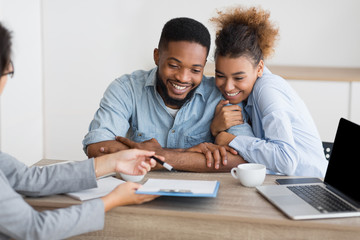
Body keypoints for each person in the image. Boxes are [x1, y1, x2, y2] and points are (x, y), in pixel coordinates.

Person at [0, 22, 160, 240]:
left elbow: (28, 178)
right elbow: (34, 229)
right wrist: (111, 200)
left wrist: (114, 162)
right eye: (9, 71)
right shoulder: (125, 87)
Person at [83, 17, 246, 172]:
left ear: (204, 66)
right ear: (157, 56)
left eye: (195, 70)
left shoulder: (222, 96)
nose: (183, 78)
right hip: (138, 191)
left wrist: (163, 155)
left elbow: (242, 159)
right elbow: (97, 147)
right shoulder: (127, 89)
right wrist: (186, 154)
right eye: (174, 65)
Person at [209, 6, 328, 177]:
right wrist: (215, 130)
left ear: (259, 68)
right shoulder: (244, 92)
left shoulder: (267, 90)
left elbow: (286, 161)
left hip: (311, 185)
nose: (228, 87)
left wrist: (233, 140)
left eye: (239, 78)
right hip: (280, 183)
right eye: (220, 75)